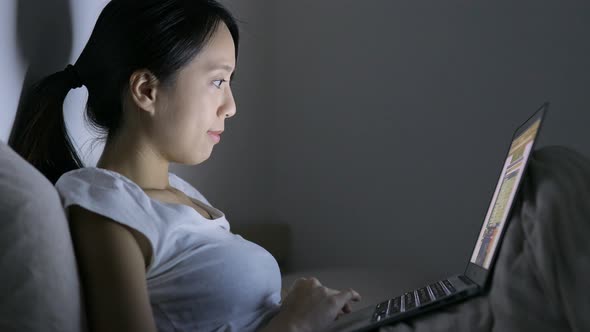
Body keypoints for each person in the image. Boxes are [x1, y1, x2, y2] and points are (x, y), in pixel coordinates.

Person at [9, 0, 361, 331]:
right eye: (218, 81)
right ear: (147, 90)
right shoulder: (107, 205)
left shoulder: (182, 194)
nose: (230, 106)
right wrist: (295, 323)